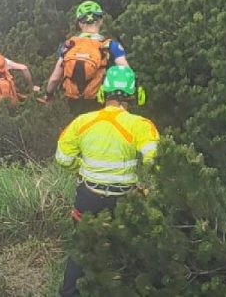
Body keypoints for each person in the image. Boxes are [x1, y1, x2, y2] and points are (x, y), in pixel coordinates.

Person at [54, 65, 158, 296]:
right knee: (125, 250)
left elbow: (62, 158)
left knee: (81, 249)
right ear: (135, 95)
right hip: (124, 200)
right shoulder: (141, 125)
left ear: (102, 93)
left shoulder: (83, 122)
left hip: (88, 197)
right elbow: (157, 162)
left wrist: (80, 169)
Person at [44, 0, 130, 115]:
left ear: (80, 23)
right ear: (101, 21)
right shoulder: (110, 45)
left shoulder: (69, 45)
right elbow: (126, 72)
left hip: (73, 102)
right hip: (99, 103)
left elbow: (55, 78)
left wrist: (49, 95)